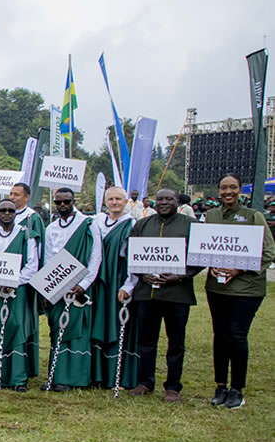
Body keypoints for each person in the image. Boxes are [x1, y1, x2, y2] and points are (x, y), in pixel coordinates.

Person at [119, 188, 200, 403]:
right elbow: (129, 253)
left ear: (177, 202)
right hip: (147, 294)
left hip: (177, 293)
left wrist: (180, 276)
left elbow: (199, 257)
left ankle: (173, 387)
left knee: (176, 342)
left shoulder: (189, 225)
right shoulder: (143, 224)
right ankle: (145, 382)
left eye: (169, 199)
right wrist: (142, 273)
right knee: (146, 340)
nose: (164, 202)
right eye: (160, 199)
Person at [202, 174, 275, 409]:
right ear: (219, 190)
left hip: (246, 290)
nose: (228, 192)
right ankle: (220, 386)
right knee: (220, 336)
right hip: (217, 288)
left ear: (240, 190)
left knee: (237, 335)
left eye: (233, 187)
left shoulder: (254, 216)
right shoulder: (211, 216)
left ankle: (237, 390)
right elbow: (205, 247)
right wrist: (210, 263)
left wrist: (238, 269)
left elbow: (268, 252)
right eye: (223, 188)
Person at [40, 187, 102, 392]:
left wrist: (84, 285)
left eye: (66, 201)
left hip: (80, 287)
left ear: (73, 201)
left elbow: (95, 257)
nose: (62, 206)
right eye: (58, 202)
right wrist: (50, 288)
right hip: (58, 285)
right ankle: (56, 376)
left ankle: (77, 378)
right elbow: (48, 258)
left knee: (77, 332)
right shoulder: (51, 228)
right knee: (57, 329)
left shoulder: (88, 225)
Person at [0, 199, 39, 391]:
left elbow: (32, 265)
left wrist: (13, 282)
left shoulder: (26, 235)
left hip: (16, 292)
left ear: (15, 214)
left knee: (16, 328)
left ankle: (18, 378)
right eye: (2, 210)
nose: (6, 213)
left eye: (10, 211)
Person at [90, 187, 138, 390]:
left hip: (117, 280)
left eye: (118, 199)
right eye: (111, 199)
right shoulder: (97, 221)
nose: (114, 202)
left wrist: (129, 284)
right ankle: (97, 375)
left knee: (117, 324)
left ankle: (116, 376)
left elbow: (134, 258)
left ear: (126, 201)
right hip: (98, 280)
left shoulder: (131, 224)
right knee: (97, 322)